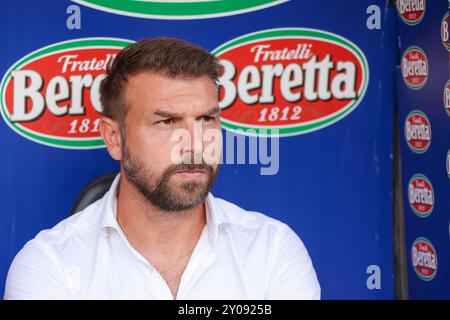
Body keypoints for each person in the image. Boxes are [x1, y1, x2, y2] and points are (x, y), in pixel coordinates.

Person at [4, 37, 320, 300]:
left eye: (206, 119)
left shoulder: (272, 250)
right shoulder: (50, 265)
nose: (195, 144)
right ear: (114, 138)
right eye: (167, 122)